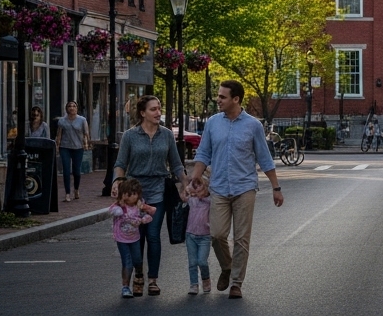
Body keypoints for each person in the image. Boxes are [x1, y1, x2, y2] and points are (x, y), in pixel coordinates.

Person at [188, 80, 283, 300]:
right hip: (219, 187)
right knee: (216, 234)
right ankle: (227, 267)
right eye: (218, 96)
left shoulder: (253, 125)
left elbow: (264, 158)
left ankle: (236, 283)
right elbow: (203, 154)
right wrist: (194, 179)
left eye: (222, 97)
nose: (218, 100)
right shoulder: (213, 123)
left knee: (241, 238)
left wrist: (276, 187)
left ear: (236, 99)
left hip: (245, 187)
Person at [114, 95, 184, 297]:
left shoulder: (167, 135)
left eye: (159, 108)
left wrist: (186, 184)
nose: (158, 112)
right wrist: (117, 182)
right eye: (153, 109)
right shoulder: (130, 136)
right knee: (137, 237)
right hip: (134, 193)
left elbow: (176, 164)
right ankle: (138, 275)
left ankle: (153, 280)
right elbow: (120, 164)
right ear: (143, 112)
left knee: (153, 235)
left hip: (158, 189)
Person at [108, 178, 156, 299]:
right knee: (127, 262)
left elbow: (151, 212)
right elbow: (112, 210)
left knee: (137, 260)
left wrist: (145, 218)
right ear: (122, 194)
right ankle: (125, 286)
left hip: (134, 238)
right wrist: (117, 210)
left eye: (134, 194)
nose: (131, 197)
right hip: (122, 238)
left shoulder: (138, 206)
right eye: (128, 194)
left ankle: (138, 276)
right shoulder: (120, 206)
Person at [178, 174, 213, 295]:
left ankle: (205, 279)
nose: (197, 189)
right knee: (192, 262)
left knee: (202, 261)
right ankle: (193, 284)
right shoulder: (191, 200)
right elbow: (183, 196)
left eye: (200, 186)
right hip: (190, 235)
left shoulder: (209, 201)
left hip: (205, 236)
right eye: (195, 186)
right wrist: (186, 188)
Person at [56, 101, 90, 202]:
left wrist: (86, 143)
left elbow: (86, 133)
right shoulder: (62, 121)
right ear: (66, 108)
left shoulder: (82, 120)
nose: (72, 108)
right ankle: (67, 193)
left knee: (76, 171)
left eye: (74, 106)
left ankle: (76, 189)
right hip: (65, 147)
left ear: (77, 108)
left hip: (78, 147)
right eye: (69, 106)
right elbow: (59, 134)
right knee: (66, 170)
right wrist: (57, 146)